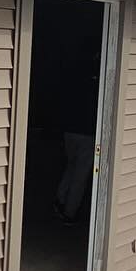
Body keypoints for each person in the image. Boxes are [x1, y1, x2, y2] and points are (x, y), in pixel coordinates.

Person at [53, 50, 100, 225]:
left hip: (70, 131)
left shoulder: (74, 75)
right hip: (87, 134)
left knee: (71, 166)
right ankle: (69, 213)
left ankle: (60, 200)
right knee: (81, 175)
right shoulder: (98, 79)